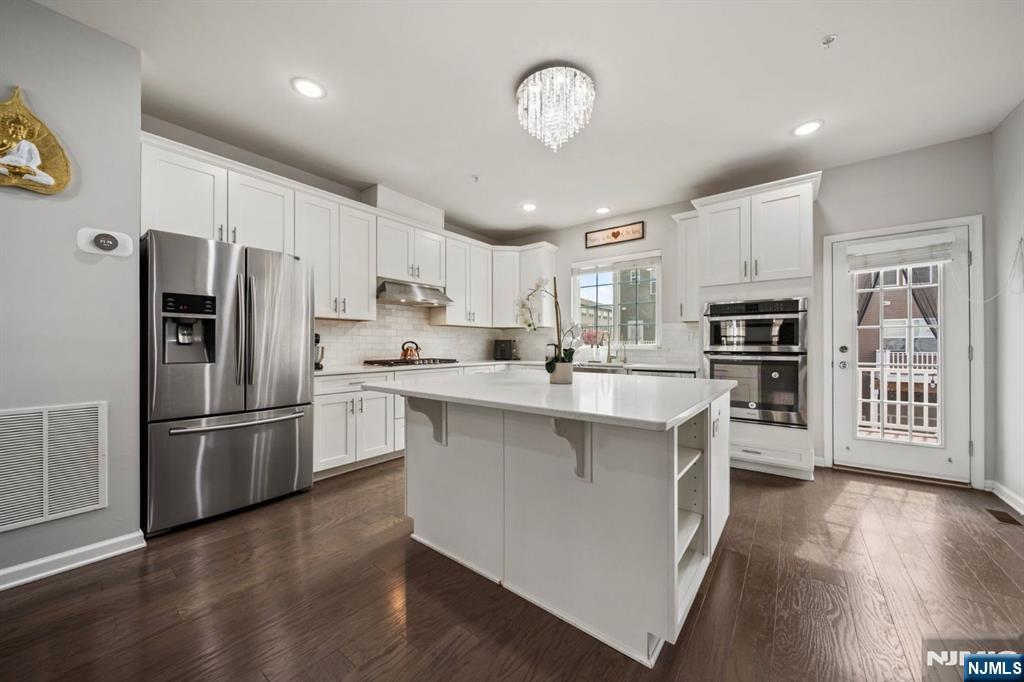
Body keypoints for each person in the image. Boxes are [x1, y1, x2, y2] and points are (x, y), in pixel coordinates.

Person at [0, 113, 54, 186]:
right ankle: (11, 172)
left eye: (20, 129)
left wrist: (27, 167)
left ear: (24, 131)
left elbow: (37, 160)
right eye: (14, 128)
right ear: (9, 128)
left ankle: (25, 176)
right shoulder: (5, 142)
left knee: (50, 181)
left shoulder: (30, 145)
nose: (17, 131)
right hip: (8, 164)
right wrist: (6, 146)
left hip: (23, 166)